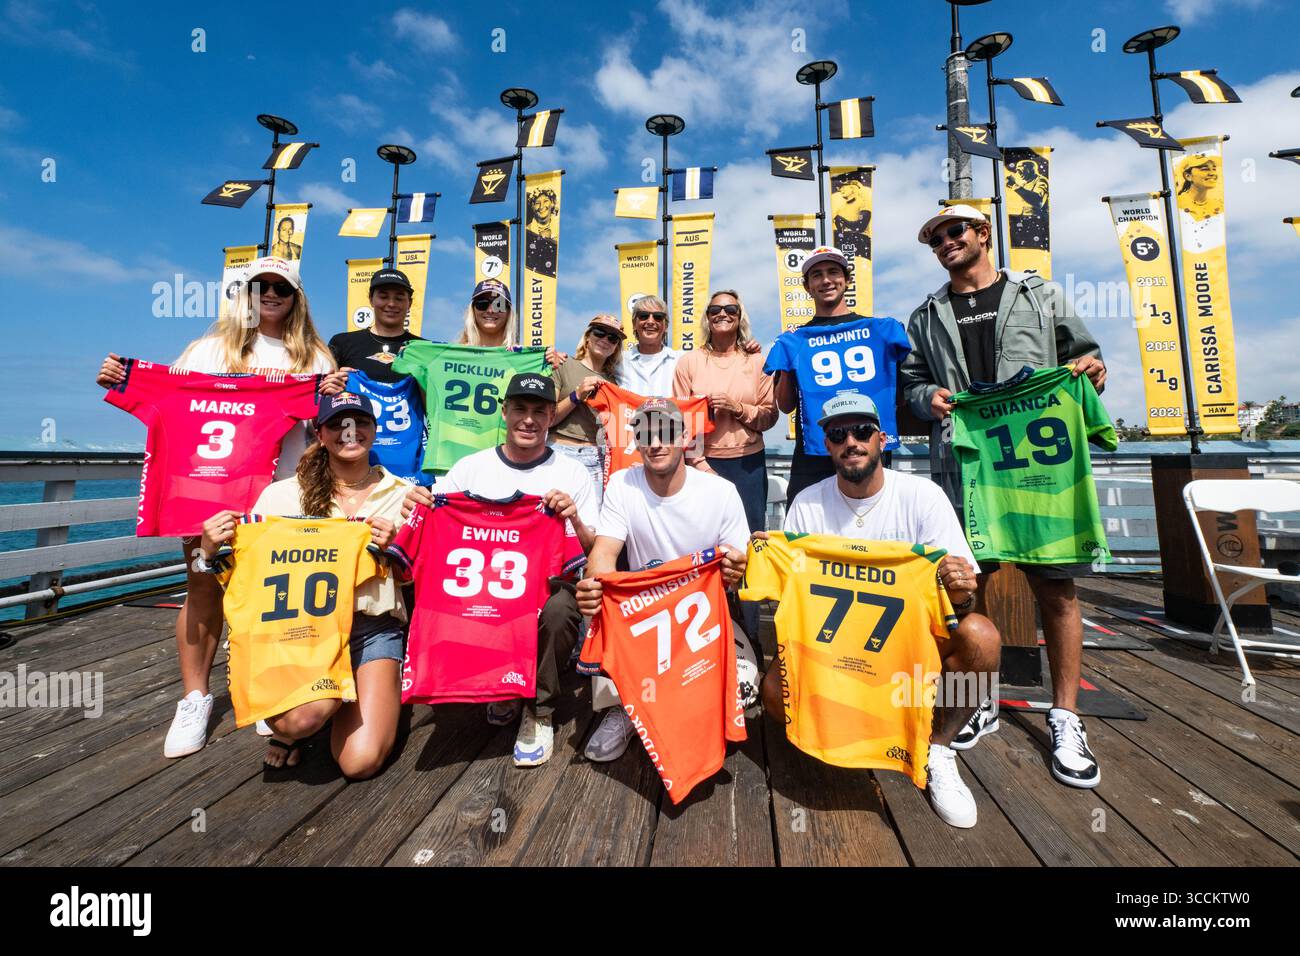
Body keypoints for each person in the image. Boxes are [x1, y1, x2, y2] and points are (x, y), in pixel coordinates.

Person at [95, 256, 347, 760]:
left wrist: (334, 394)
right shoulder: (210, 349)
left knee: (276, 597)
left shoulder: (316, 357)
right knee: (203, 586)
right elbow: (170, 404)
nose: (271, 294)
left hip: (285, 496)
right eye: (261, 286)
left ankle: (269, 688)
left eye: (282, 287)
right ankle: (194, 697)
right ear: (244, 294)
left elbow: (328, 427)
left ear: (297, 298)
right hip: (209, 494)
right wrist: (120, 379)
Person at [900, 203, 1107, 789]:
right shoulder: (926, 315)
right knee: (970, 584)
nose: (945, 243)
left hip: (1041, 468)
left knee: (1058, 589)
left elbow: (1086, 357)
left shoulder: (1041, 295)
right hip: (969, 467)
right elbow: (912, 382)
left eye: (954, 232)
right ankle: (975, 701)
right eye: (935, 238)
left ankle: (1065, 715)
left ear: (982, 234)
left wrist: (1091, 368)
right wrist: (927, 397)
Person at [774, 393, 1001, 828]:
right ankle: (842, 731)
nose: (851, 442)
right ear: (826, 445)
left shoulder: (922, 496)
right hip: (836, 650)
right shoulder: (806, 503)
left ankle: (938, 747)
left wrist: (961, 590)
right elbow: (786, 595)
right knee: (771, 691)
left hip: (910, 650)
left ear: (882, 439)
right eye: (838, 434)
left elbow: (961, 601)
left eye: (861, 432)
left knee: (982, 638)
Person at [196, 392, 410, 776]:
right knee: (298, 722)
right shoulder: (280, 496)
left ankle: (357, 688)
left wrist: (399, 550)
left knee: (359, 763)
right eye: (337, 424)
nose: (350, 431)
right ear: (320, 433)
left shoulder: (405, 495)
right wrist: (210, 552)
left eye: (360, 422)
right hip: (303, 633)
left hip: (371, 629)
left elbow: (423, 575)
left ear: (375, 430)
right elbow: (248, 576)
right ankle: (317, 709)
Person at [402, 373, 596, 766]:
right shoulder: (469, 468)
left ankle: (539, 709)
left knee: (560, 610)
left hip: (545, 586)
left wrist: (573, 519)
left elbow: (591, 548)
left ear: (549, 418)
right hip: (482, 591)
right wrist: (417, 506)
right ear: (504, 412)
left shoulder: (572, 472)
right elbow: (433, 524)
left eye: (539, 411)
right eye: (520, 409)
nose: (529, 419)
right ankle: (501, 687)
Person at [575, 398, 755, 763]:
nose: (655, 442)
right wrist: (594, 587)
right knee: (598, 605)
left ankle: (669, 704)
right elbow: (604, 553)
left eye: (666, 431)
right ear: (636, 443)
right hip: (646, 620)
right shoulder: (624, 484)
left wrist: (738, 569)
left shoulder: (721, 492)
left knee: (746, 689)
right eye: (645, 433)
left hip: (703, 621)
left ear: (685, 437)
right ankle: (626, 709)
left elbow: (743, 565)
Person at [672, 289, 777, 529]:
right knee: (704, 536)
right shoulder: (688, 363)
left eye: (731, 310)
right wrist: (700, 465)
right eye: (715, 310)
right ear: (707, 318)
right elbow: (681, 423)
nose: (723, 314)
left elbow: (769, 416)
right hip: (703, 464)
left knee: (751, 537)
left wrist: (736, 407)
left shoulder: (757, 361)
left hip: (748, 464)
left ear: (739, 318)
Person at [549, 314, 625, 506]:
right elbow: (548, 419)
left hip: (595, 458)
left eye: (613, 338)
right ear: (588, 337)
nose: (605, 340)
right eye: (600, 333)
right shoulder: (562, 365)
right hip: (558, 450)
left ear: (616, 347)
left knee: (590, 526)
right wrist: (577, 395)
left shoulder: (615, 384)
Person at [328, 268, 424, 382]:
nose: (391, 304)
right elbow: (319, 391)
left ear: (410, 303)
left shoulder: (423, 349)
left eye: (399, 298)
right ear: (371, 299)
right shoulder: (342, 343)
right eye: (383, 297)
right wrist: (334, 385)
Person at [458, 278, 517, 348]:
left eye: (499, 305)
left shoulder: (521, 356)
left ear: (508, 313)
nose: (490, 310)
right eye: (482, 303)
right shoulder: (455, 355)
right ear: (472, 310)